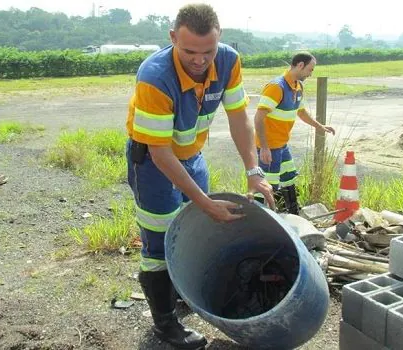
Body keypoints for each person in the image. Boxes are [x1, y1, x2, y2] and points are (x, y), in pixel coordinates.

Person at [125, 4, 275, 349]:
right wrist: (205, 202)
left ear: (218, 38)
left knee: (194, 227)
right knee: (159, 239)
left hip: (191, 155)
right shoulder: (155, 76)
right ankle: (165, 326)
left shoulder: (227, 60)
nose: (199, 60)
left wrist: (253, 171)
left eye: (207, 51)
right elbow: (160, 152)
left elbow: (239, 117)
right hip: (152, 162)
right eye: (189, 50)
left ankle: (179, 295)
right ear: (173, 38)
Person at [253, 52, 335, 215]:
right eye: (310, 70)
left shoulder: (298, 87)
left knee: (289, 177)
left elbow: (301, 112)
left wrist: (319, 126)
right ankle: (260, 218)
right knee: (268, 185)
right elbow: (258, 118)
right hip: (269, 146)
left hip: (282, 145)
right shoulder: (276, 87)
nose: (311, 74)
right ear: (300, 65)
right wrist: (264, 147)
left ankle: (291, 213)